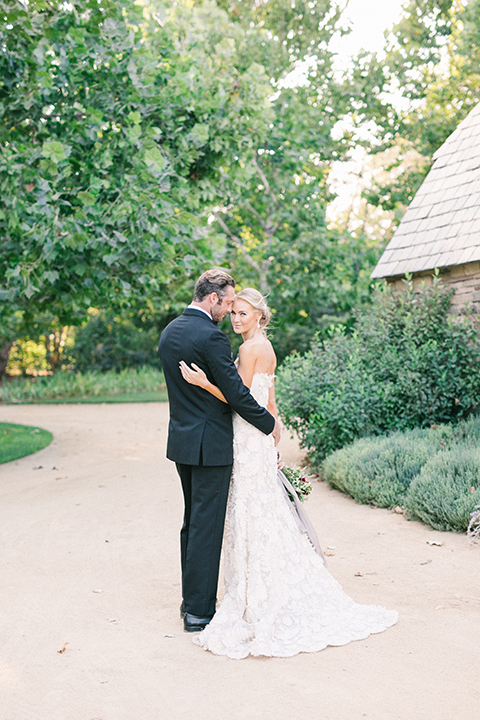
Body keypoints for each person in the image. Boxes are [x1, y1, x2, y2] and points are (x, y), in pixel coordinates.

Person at [179, 287, 398, 659]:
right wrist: (274, 430)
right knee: (260, 510)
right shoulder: (266, 347)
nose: (235, 319)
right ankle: (259, 586)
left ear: (260, 316)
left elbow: (241, 400)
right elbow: (270, 401)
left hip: (247, 438)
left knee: (250, 510)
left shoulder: (250, 349)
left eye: (243, 314)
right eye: (233, 312)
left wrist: (203, 383)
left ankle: (256, 594)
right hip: (258, 438)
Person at [158, 269, 281, 633]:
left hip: (181, 443)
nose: (228, 312)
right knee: (207, 528)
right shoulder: (211, 338)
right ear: (213, 298)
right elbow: (238, 395)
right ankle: (199, 612)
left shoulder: (170, 333)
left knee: (191, 524)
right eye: (228, 304)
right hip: (210, 445)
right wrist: (269, 423)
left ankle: (189, 603)